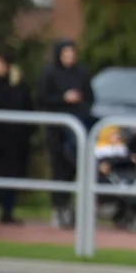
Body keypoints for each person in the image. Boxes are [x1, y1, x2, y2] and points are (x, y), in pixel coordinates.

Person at [38, 39, 95, 228]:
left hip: (77, 129)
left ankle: (74, 209)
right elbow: (42, 99)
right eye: (66, 54)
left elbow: (90, 98)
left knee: (75, 168)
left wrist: (81, 106)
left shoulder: (82, 73)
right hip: (57, 129)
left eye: (72, 53)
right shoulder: (49, 73)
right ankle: (58, 208)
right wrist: (63, 99)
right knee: (58, 169)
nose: (70, 57)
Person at [0, 49, 35, 226]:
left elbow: (27, 108)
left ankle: (7, 212)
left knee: (11, 175)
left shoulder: (18, 86)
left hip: (13, 141)